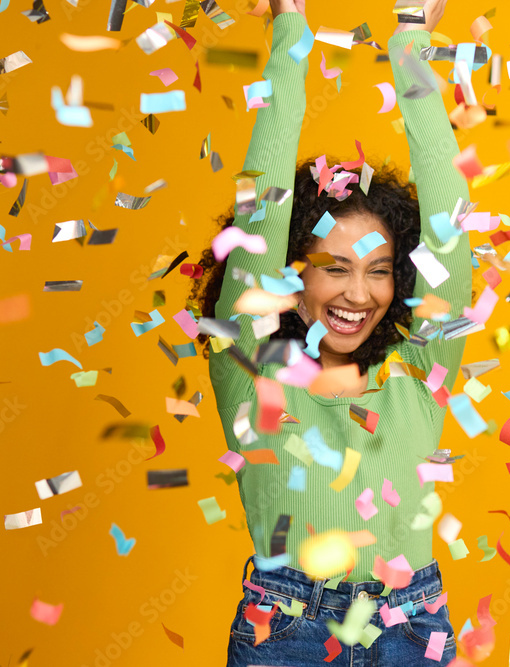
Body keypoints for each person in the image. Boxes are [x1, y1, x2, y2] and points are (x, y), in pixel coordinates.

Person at [190, 0, 470, 664]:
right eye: (334, 268)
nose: (357, 292)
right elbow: (261, 205)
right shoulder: (249, 361)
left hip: (411, 626)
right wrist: (289, 27)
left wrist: (410, 47)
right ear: (292, 272)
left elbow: (450, 231)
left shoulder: (420, 369)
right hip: (287, 630)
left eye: (378, 271)